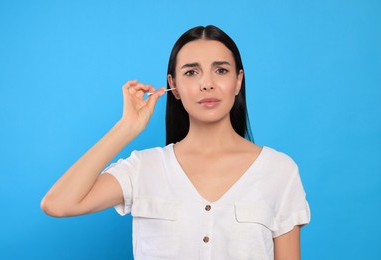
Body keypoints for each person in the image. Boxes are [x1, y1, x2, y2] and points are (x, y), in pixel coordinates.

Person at [41, 25, 310, 260]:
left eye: (221, 70)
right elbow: (58, 204)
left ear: (238, 81)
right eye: (192, 72)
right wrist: (126, 128)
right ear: (174, 86)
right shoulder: (142, 168)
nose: (207, 83)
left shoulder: (278, 171)